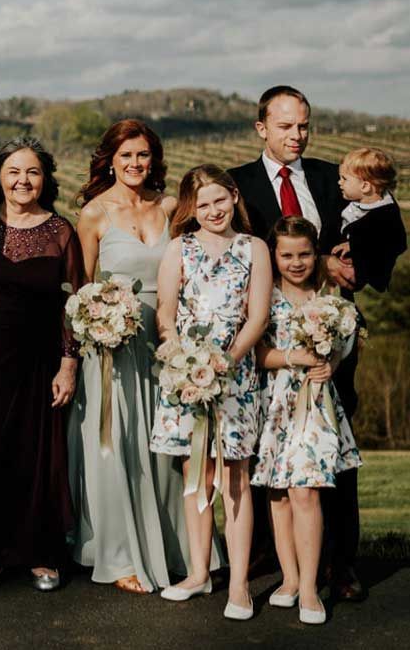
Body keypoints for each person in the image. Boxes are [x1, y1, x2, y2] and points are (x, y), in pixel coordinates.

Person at [68, 120, 218, 594]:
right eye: (127, 155)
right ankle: (120, 555)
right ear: (109, 159)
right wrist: (96, 325)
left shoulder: (171, 207)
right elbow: (78, 286)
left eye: (143, 155)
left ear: (154, 159)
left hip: (168, 345)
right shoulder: (93, 214)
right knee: (117, 445)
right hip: (113, 349)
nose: (135, 164)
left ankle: (175, 551)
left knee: (166, 451)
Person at [227, 86, 360, 601]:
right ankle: (279, 563)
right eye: (285, 126)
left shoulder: (330, 178)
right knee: (274, 460)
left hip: (329, 330)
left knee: (334, 456)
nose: (296, 135)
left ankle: (340, 566)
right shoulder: (239, 183)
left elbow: (376, 228)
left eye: (303, 125)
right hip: (271, 335)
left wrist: (347, 263)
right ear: (262, 128)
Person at [151, 165, 271, 620]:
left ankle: (238, 584)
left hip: (234, 377)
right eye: (202, 204)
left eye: (220, 200)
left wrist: (226, 361)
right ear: (190, 208)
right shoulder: (178, 249)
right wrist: (182, 357)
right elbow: (166, 311)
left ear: (234, 196)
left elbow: (257, 317)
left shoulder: (253, 248)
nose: (213, 210)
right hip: (187, 376)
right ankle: (199, 573)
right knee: (194, 475)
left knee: (235, 478)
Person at [0, 137, 81, 591]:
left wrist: (68, 363)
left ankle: (41, 553)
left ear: (45, 179)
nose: (23, 180)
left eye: (33, 172)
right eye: (14, 171)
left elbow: (75, 301)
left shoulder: (60, 231)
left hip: (41, 363)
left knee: (39, 458)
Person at [251, 216, 363, 625]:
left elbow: (345, 344)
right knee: (278, 494)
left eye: (302, 254)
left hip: (316, 404)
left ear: (314, 253)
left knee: (307, 493)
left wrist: (330, 362)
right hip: (274, 402)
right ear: (274, 255)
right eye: (286, 255)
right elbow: (258, 352)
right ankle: (291, 578)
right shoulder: (265, 293)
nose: (295, 263)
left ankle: (312, 589)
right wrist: (292, 357)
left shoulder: (329, 293)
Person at [334, 147, 405, 294]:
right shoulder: (354, 200)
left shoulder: (386, 214)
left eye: (344, 179)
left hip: (366, 281)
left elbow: (396, 243)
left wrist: (354, 245)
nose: (339, 183)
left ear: (365, 186)